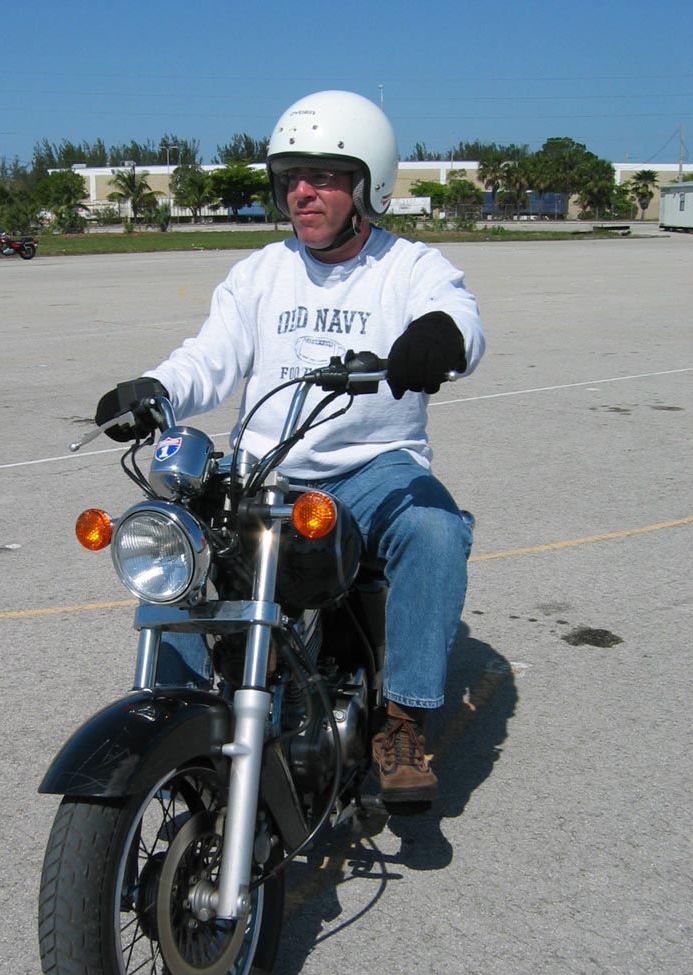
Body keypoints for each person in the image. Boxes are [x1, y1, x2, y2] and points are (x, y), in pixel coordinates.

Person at [95, 90, 485, 807]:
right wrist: (156, 387)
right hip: (264, 472)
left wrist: (439, 337)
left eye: (325, 176)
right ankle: (176, 719)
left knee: (435, 530)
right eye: (290, 177)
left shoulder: (409, 267)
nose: (302, 191)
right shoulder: (261, 273)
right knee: (183, 550)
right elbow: (210, 356)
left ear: (368, 184)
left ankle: (403, 720)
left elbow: (456, 314)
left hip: (372, 469)